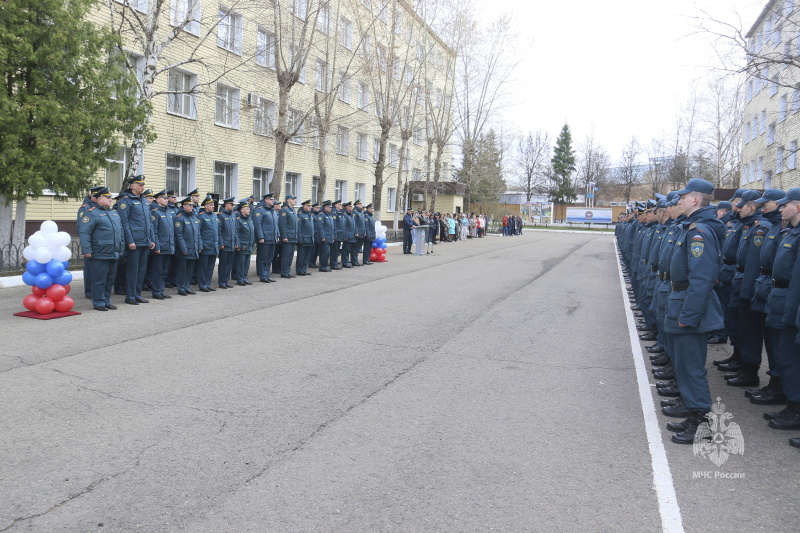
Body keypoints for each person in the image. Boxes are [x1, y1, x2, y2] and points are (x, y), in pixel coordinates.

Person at [663, 178, 725, 445]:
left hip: (690, 306)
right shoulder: (693, 227)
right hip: (684, 302)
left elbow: (701, 279)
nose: (679, 201)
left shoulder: (700, 231)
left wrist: (688, 315)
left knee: (692, 368)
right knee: (687, 367)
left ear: (695, 200)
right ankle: (694, 413)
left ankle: (703, 423)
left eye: (683, 197)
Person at [78, 187, 124, 311]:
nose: (110, 200)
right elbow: (84, 232)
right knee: (99, 280)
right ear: (99, 199)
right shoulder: (91, 213)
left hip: (113, 252)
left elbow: (121, 232)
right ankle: (98, 302)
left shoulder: (114, 213)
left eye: (110, 198)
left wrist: (121, 248)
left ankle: (106, 301)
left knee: (110, 279)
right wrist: (87, 250)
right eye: (107, 198)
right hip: (100, 252)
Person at [118, 175, 155, 305]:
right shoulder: (125, 201)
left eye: (143, 185)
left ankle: (137, 294)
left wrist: (151, 239)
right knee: (133, 270)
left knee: (141, 270)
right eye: (140, 185)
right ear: (133, 186)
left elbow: (149, 222)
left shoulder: (145, 201)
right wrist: (130, 241)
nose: (142, 187)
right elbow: (124, 223)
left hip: (144, 241)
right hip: (134, 241)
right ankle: (130, 296)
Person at [149, 190, 176, 300]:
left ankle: (161, 290)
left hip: (168, 246)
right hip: (160, 247)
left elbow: (171, 231)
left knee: (164, 271)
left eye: (166, 198)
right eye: (164, 198)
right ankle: (156, 291)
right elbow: (154, 231)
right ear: (157, 200)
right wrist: (157, 247)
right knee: (157, 271)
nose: (166, 200)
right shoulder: (155, 212)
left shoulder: (168, 212)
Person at [77, 186, 102, 299]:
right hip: (91, 243)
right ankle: (89, 291)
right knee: (89, 269)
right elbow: (82, 227)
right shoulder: (85, 208)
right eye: (96, 196)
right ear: (92, 196)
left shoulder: (101, 208)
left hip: (100, 243)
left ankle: (97, 290)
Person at [174, 196, 200, 295]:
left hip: (193, 248)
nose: (192, 207)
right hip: (184, 249)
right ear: (184, 206)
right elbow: (178, 235)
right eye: (189, 205)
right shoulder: (180, 217)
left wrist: (199, 246)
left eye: (192, 205)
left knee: (190, 270)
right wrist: (183, 248)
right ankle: (181, 288)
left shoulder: (193, 216)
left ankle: (187, 286)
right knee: (182, 270)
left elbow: (197, 233)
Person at [254, 193, 279, 283]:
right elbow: (257, 225)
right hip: (264, 238)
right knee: (263, 258)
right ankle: (262, 276)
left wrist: (278, 235)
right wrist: (260, 237)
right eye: (271, 199)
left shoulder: (273, 211)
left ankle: (267, 275)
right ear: (266, 200)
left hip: (272, 238)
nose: (273, 201)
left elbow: (276, 225)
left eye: (273, 199)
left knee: (269, 258)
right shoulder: (260, 210)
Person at [197, 195, 219, 292]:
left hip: (213, 246)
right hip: (205, 246)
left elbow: (217, 232)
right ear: (205, 206)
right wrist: (200, 245)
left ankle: (208, 283)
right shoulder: (201, 216)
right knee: (203, 267)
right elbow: (198, 232)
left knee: (210, 267)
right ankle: (202, 284)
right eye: (211, 205)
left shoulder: (214, 216)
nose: (213, 206)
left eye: (213, 205)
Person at [217, 197, 238, 289]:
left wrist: (236, 242)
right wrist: (221, 243)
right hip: (225, 244)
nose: (233, 206)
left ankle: (226, 281)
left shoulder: (233, 215)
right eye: (231, 204)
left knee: (229, 264)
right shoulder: (221, 216)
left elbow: (235, 230)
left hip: (232, 243)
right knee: (223, 264)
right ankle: (221, 281)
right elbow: (219, 231)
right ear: (226, 205)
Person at [234, 200, 255, 285]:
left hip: (249, 245)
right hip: (242, 245)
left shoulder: (249, 219)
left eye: (249, 209)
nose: (249, 210)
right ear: (241, 211)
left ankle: (245, 278)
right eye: (247, 209)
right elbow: (236, 233)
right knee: (241, 264)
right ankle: (240, 279)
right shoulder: (239, 220)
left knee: (247, 263)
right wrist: (238, 243)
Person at [278, 194, 298, 278]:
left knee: (290, 256)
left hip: (293, 236)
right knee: (285, 256)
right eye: (292, 199)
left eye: (294, 199)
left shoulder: (293, 210)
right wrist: (284, 236)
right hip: (288, 237)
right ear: (288, 200)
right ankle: (284, 272)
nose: (294, 200)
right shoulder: (284, 210)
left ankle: (288, 271)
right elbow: (282, 225)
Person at [296, 199, 315, 276]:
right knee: (301, 256)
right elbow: (299, 228)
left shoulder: (309, 215)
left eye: (310, 206)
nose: (310, 207)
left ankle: (304, 269)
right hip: (303, 239)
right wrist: (299, 239)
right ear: (304, 206)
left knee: (306, 256)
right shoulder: (300, 215)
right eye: (308, 206)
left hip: (309, 239)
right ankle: (299, 270)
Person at [316, 200, 334, 272]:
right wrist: (322, 237)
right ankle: (322, 266)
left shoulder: (329, 215)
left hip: (329, 237)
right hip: (325, 238)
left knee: (327, 252)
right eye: (329, 207)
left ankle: (324, 266)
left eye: (331, 207)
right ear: (325, 207)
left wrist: (332, 236)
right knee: (325, 252)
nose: (331, 209)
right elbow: (320, 227)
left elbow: (331, 227)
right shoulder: (321, 215)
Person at [330, 199, 344, 269]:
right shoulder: (334, 213)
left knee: (337, 250)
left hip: (340, 234)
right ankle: (333, 264)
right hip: (336, 235)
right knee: (334, 250)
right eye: (340, 204)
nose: (341, 206)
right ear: (336, 205)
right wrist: (335, 235)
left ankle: (335, 263)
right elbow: (334, 225)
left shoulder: (339, 213)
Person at [342, 201, 356, 267]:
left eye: (352, 206)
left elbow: (354, 225)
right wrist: (346, 235)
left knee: (350, 249)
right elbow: (344, 226)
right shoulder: (345, 215)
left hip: (352, 235)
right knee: (346, 249)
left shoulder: (351, 214)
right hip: (348, 235)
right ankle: (345, 262)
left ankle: (348, 261)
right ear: (346, 207)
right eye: (350, 206)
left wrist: (356, 232)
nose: (352, 207)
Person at [353, 199, 365, 266]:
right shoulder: (355, 212)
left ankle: (356, 260)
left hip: (361, 233)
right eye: (360, 204)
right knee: (355, 248)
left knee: (358, 248)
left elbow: (363, 224)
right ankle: (354, 260)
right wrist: (356, 232)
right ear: (356, 205)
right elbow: (355, 224)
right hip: (357, 233)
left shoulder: (361, 212)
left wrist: (364, 231)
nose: (361, 205)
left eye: (361, 204)